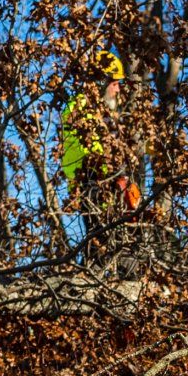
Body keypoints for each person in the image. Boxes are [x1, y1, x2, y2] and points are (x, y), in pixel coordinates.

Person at [60, 49, 142, 246]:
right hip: (94, 186)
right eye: (115, 84)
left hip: (104, 186)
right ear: (101, 82)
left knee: (122, 243)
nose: (118, 90)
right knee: (104, 245)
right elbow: (91, 150)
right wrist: (115, 174)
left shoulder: (100, 111)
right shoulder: (81, 107)